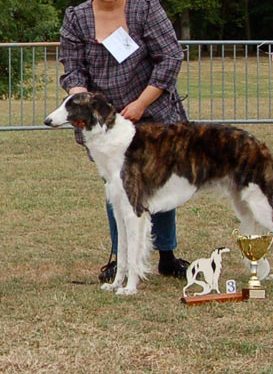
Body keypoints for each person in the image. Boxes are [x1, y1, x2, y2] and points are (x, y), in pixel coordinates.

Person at [59, 0, 190, 282]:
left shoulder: (145, 8)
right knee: (117, 187)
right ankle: (122, 260)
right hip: (104, 121)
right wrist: (83, 101)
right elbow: (73, 68)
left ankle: (167, 256)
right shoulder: (76, 17)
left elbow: (170, 57)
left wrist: (141, 104)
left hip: (151, 110)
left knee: (156, 184)